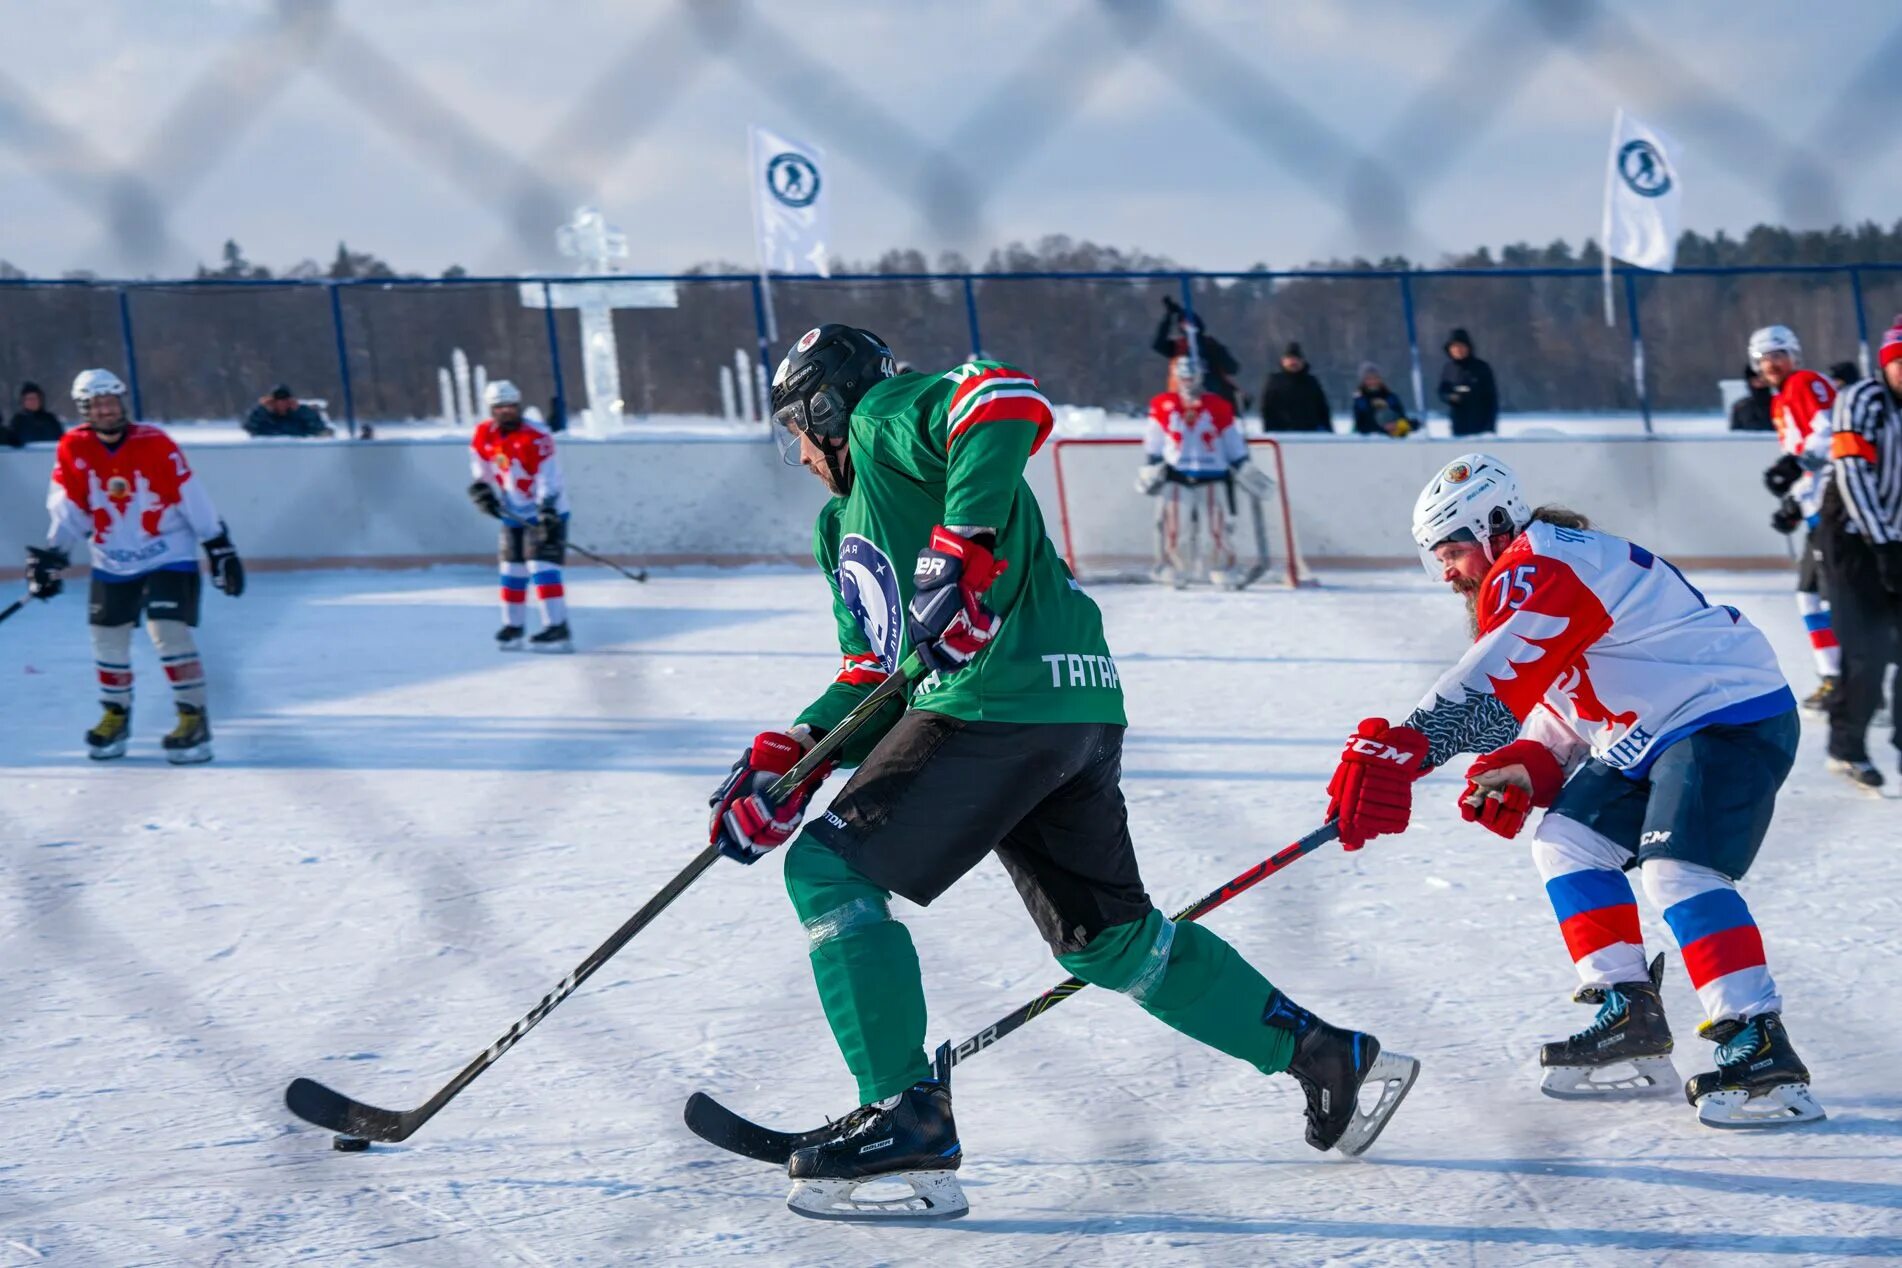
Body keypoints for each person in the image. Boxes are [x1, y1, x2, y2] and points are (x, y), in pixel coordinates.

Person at [711, 324, 1417, 1221]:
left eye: (797, 431)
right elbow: (877, 672)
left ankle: (904, 1122)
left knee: (827, 870)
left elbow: (1000, 398)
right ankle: (1327, 1058)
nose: (802, 455)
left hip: (993, 704)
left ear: (824, 407)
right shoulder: (835, 529)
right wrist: (799, 755)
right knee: (1111, 943)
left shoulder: (887, 416)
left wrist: (962, 543)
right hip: (1070, 709)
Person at [1320, 453, 1822, 1129]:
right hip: (1652, 733)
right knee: (1567, 841)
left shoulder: (1537, 566)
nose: (1445, 572)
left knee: (1677, 871)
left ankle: (1758, 1041)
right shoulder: (1544, 568)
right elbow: (1566, 702)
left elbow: (1491, 686)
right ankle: (1630, 1013)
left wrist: (1403, 747)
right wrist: (1527, 766)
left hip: (1725, 714)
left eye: (1452, 551)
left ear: (1496, 526)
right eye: (1434, 558)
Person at [24, 369, 244, 763]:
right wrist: (52, 555)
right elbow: (70, 506)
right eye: (97, 405)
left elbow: (189, 493)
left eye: (112, 402)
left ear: (122, 402)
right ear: (84, 410)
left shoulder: (155, 442)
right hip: (111, 559)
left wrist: (218, 544)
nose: (107, 410)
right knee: (106, 640)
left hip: (167, 553)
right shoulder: (73, 446)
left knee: (168, 631)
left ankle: (193, 719)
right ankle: (116, 716)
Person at [1818, 321, 1902, 786]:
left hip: (1896, 541)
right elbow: (1852, 474)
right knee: (1866, 651)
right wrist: (1883, 540)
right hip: (1853, 542)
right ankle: (1846, 746)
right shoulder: (1863, 399)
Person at [1753, 325, 1842, 713]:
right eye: (1763, 357)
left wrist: (1794, 466)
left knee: (1831, 596)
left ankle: (1845, 679)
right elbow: (1809, 462)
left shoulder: (1806, 383)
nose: (1771, 362)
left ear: (1795, 354)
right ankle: (1837, 677)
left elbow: (1834, 435)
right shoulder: (1781, 399)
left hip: (1839, 507)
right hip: (1819, 506)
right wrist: (1794, 501)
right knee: (1813, 594)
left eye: (1778, 353)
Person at [1137, 355, 1275, 587]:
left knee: (1216, 530)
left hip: (1212, 475)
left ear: (1200, 377)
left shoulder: (1218, 405)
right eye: (1183, 376)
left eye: (1192, 376)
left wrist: (1241, 463)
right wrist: (1151, 463)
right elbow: (1155, 438)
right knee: (1174, 528)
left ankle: (1222, 568)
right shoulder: (1163, 404)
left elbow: (1231, 439)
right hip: (1177, 474)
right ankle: (1175, 568)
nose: (1188, 381)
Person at [467, 379, 571, 652]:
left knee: (541, 567)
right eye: (500, 407)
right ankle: (513, 626)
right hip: (512, 511)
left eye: (511, 406)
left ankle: (556, 626)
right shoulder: (483, 435)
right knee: (511, 570)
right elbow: (482, 469)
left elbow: (549, 476)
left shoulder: (536, 435)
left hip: (546, 511)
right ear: (492, 408)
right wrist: (482, 490)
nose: (506, 411)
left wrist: (547, 508)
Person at [1153, 296, 1241, 407]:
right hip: (1181, 401)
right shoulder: (1179, 346)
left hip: (1211, 400)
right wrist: (1169, 316)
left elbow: (1233, 368)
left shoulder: (1211, 346)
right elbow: (1158, 344)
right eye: (1183, 324)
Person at [1437, 327, 1499, 436]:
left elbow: (1491, 398)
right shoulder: (1448, 368)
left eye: (1461, 346)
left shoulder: (1481, 367)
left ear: (1468, 347)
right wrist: (1450, 397)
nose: (1458, 350)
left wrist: (1489, 427)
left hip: (1481, 425)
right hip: (1458, 425)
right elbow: (1442, 390)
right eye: (1454, 347)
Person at [1259, 342, 1331, 433]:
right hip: (1282, 433)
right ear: (1283, 361)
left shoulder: (1312, 382)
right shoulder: (1274, 382)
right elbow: (1266, 410)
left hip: (1310, 434)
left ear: (1302, 361)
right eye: (1290, 359)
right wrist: (1269, 430)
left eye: (1296, 359)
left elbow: (1323, 409)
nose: (1293, 362)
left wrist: (1328, 430)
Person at [243, 384, 332, 438]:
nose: (281, 403)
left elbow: (320, 430)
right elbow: (249, 427)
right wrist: (263, 410)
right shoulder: (264, 418)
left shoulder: (300, 416)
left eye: (285, 400)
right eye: (278, 400)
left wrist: (301, 412)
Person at [1351, 362, 1414, 437]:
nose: (1372, 381)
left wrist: (1397, 424)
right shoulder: (1360, 398)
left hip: (1393, 436)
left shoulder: (1391, 397)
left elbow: (1401, 415)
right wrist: (1382, 426)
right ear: (1363, 381)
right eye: (1368, 379)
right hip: (1368, 438)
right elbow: (1361, 422)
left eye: (1375, 378)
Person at [5, 381, 64, 446]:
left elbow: (61, 440)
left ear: (40, 400)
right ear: (23, 401)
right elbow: (10, 441)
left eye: (34, 398)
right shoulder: (17, 421)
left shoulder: (51, 420)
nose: (32, 402)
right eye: (29, 399)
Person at [1729, 363, 1774, 433]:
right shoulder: (1740, 407)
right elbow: (1735, 436)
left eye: (1763, 378)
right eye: (1755, 379)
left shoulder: (1780, 404)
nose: (1760, 382)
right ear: (1749, 381)